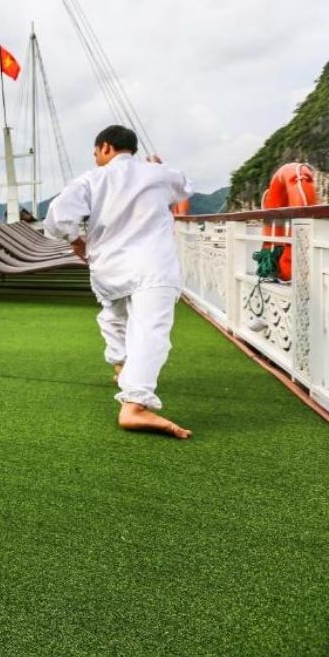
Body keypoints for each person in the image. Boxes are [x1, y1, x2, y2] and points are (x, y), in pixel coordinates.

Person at [44, 124, 194, 439]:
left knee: (114, 315)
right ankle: (135, 403)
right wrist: (159, 169)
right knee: (150, 329)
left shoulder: (91, 179)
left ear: (107, 147)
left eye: (96, 151)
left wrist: (75, 238)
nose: (97, 157)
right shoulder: (158, 174)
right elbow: (184, 187)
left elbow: (57, 216)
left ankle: (121, 365)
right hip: (153, 264)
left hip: (109, 267)